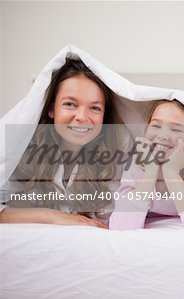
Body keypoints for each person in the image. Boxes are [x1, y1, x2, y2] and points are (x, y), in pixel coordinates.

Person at [0, 58, 125, 228]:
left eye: (95, 108)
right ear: (51, 109)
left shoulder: (116, 160)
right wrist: (52, 217)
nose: (81, 117)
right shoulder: (21, 151)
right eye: (70, 104)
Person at [109, 99, 184, 231]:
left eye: (176, 129)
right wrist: (150, 172)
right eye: (156, 126)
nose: (163, 136)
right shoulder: (138, 159)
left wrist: (171, 172)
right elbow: (121, 228)